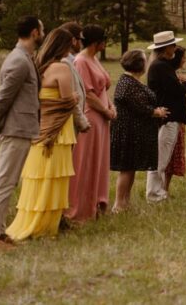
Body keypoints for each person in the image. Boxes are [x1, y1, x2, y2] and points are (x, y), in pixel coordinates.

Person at [6, 29, 80, 240]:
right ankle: (45, 225)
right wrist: (74, 97)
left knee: (37, 177)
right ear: (63, 46)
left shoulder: (38, 66)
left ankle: (29, 219)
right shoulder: (61, 68)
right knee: (54, 177)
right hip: (58, 131)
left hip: (39, 128)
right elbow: (67, 99)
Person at [0, 16, 44, 250]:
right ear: (35, 33)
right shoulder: (18, 60)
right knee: (4, 182)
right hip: (16, 129)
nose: (43, 32)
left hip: (21, 129)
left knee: (9, 182)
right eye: (42, 29)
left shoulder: (25, 58)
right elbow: (3, 99)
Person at [65, 24, 115, 224]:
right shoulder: (81, 61)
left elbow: (102, 89)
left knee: (100, 161)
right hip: (91, 117)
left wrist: (111, 106)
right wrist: (105, 110)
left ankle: (97, 203)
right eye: (104, 40)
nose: (105, 44)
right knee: (85, 162)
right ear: (96, 42)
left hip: (103, 117)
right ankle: (79, 208)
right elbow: (87, 93)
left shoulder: (94, 59)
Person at [110, 49, 169, 212]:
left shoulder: (133, 81)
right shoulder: (126, 82)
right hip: (127, 133)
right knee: (126, 168)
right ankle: (119, 204)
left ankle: (125, 202)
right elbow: (137, 104)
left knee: (131, 168)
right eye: (144, 60)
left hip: (135, 132)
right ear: (139, 64)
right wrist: (155, 112)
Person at [145, 31, 186, 201]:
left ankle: (158, 191)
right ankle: (154, 194)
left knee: (163, 156)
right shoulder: (161, 66)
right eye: (173, 45)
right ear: (166, 48)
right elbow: (177, 90)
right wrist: (185, 83)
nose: (175, 48)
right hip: (167, 117)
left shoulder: (161, 65)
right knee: (160, 159)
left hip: (168, 116)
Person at [57, 21, 92, 137]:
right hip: (68, 122)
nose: (82, 43)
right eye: (80, 39)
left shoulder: (73, 60)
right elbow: (69, 96)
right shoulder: (67, 62)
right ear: (73, 40)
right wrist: (81, 121)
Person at [162, 47, 186, 194]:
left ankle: (166, 187)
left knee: (174, 154)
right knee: (167, 154)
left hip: (178, 119)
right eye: (183, 57)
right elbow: (178, 91)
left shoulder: (174, 73)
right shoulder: (169, 74)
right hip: (170, 119)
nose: (185, 60)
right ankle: (162, 188)